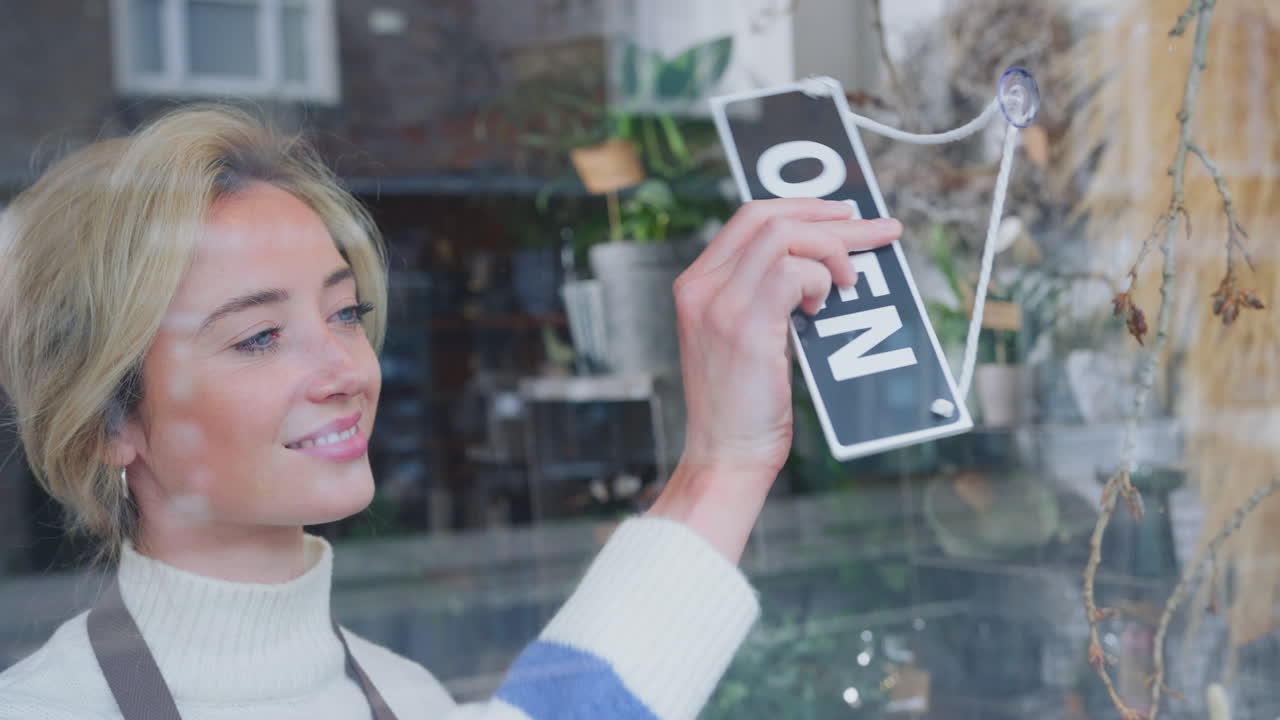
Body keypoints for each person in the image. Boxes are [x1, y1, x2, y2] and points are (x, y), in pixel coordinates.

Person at [0, 105, 901, 720]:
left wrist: (730, 456)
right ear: (109, 422)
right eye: (260, 337)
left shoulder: (403, 693)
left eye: (344, 312)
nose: (343, 368)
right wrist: (723, 463)